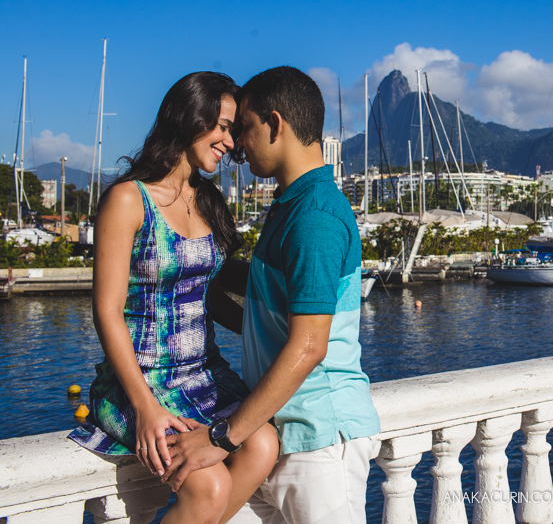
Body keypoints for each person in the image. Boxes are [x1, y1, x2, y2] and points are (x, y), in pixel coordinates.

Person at [163, 66, 380, 524]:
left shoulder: (314, 216)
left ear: (275, 125)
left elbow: (309, 345)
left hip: (318, 440)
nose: (238, 144)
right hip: (280, 435)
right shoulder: (290, 207)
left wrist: (222, 438)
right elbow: (264, 308)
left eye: (244, 127)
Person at [69, 72, 280, 524]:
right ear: (190, 116)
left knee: (263, 444)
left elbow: (206, 296)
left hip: (204, 374)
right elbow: (106, 311)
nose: (230, 141)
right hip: (138, 384)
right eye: (222, 126)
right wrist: (146, 407)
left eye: (233, 130)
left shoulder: (208, 202)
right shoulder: (129, 200)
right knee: (210, 486)